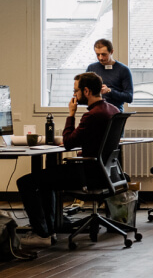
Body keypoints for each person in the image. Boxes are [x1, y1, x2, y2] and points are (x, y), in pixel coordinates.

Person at [16, 72, 119, 247]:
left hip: (87, 174)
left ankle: (42, 234)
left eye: (76, 91)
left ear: (86, 91)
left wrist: (71, 114)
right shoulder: (112, 110)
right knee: (46, 178)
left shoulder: (92, 115)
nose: (74, 95)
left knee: (26, 182)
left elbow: (69, 143)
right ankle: (51, 227)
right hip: (103, 172)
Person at [86, 39, 133, 112]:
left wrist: (109, 91)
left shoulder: (123, 70)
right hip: (95, 113)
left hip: (115, 114)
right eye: (98, 55)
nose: (100, 58)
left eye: (104, 54)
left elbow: (129, 97)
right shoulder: (91, 68)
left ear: (111, 52)